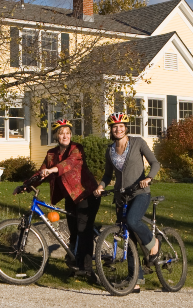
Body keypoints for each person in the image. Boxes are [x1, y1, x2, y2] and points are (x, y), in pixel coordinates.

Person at [16, 118, 100, 277]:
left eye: (68, 133)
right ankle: (75, 264)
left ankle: (87, 269)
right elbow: (41, 173)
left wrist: (52, 170)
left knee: (83, 230)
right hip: (71, 197)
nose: (65, 136)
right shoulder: (51, 154)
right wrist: (25, 185)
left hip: (86, 194)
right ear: (56, 136)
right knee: (73, 231)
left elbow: (69, 164)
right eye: (61, 134)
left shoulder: (77, 149)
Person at [95, 112, 160, 292]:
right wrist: (100, 186)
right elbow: (108, 175)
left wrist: (148, 178)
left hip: (140, 192)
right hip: (121, 196)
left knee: (132, 221)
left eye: (121, 126)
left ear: (126, 127)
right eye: (115, 127)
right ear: (111, 130)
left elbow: (155, 163)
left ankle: (153, 243)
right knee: (127, 237)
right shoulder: (110, 150)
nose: (118, 129)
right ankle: (136, 279)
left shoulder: (138, 142)